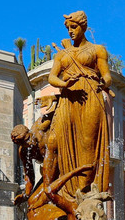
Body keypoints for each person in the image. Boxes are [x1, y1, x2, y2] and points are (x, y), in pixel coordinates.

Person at [47, 11, 112, 199]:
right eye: (68, 28)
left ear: (83, 27)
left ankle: (84, 192)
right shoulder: (63, 54)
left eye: (74, 27)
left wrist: (104, 83)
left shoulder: (98, 50)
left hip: (90, 96)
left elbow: (107, 75)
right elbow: (52, 77)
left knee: (87, 144)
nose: (70, 31)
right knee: (56, 140)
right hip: (69, 98)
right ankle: (59, 188)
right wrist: (63, 83)